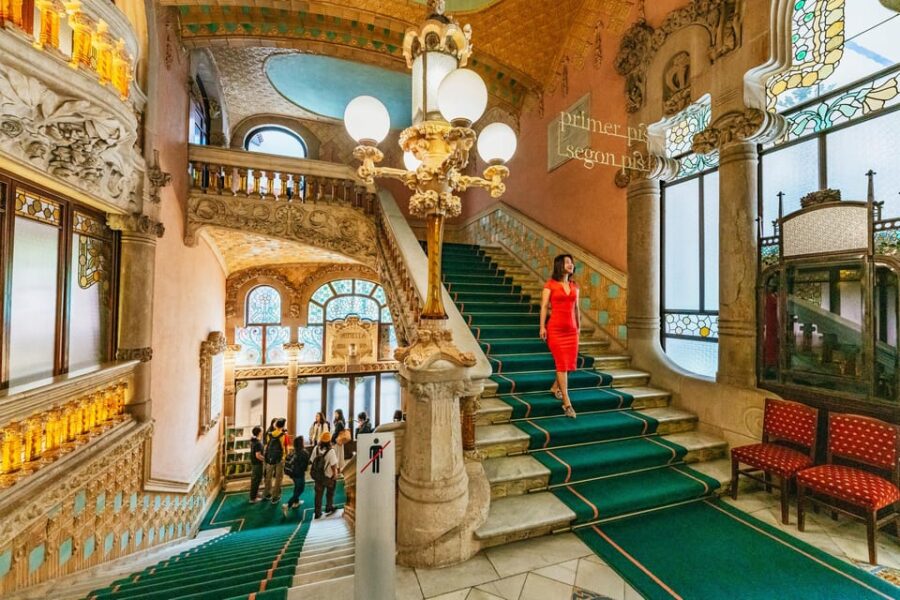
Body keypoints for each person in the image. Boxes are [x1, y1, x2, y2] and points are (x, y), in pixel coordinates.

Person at [540, 253, 580, 418]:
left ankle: (555, 387)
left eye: (571, 262)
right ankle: (567, 402)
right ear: (559, 265)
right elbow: (544, 307)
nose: (570, 265)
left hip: (572, 331)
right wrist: (542, 326)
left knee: (569, 365)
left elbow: (577, 308)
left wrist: (579, 327)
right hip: (555, 330)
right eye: (566, 262)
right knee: (562, 364)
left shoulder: (575, 286)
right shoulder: (550, 285)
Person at [309, 431, 339, 519]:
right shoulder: (331, 451)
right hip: (328, 477)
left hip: (318, 477)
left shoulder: (316, 448)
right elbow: (333, 465)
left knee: (318, 495)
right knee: (330, 492)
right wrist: (335, 474)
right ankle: (329, 507)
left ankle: (317, 512)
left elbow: (312, 461)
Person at [282, 435, 310, 517]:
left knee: (296, 487)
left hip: (292, 473)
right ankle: (287, 505)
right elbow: (305, 466)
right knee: (300, 489)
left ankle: (296, 502)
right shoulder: (304, 453)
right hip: (299, 474)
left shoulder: (293, 451)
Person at [262, 418, 289, 503]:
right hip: (280, 458)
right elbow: (286, 448)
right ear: (283, 426)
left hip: (270, 458)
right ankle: (275, 497)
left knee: (268, 476)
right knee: (278, 478)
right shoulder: (284, 435)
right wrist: (286, 456)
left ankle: (267, 493)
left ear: (275, 425)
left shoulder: (269, 434)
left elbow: (266, 446)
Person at [248, 426, 265, 503]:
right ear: (259, 432)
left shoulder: (254, 440)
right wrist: (266, 460)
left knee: (256, 480)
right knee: (256, 480)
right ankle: (253, 498)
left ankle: (255, 493)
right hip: (257, 464)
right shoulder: (258, 443)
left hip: (255, 463)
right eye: (262, 430)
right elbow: (258, 455)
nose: (263, 431)